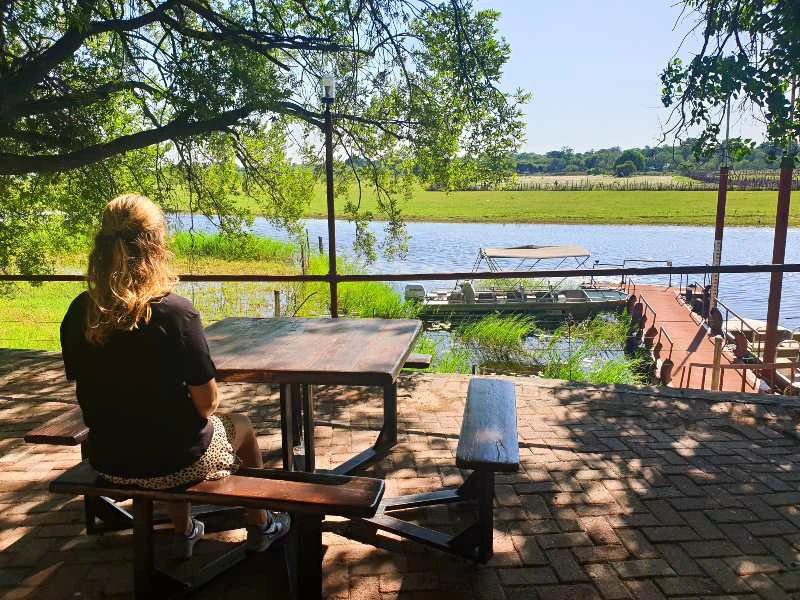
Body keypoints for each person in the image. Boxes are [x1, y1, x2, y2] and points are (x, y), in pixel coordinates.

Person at [60, 193, 289, 559]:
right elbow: (205, 405)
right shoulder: (175, 313)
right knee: (238, 425)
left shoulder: (80, 313)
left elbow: (85, 385)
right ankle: (261, 524)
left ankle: (184, 532)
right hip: (174, 462)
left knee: (175, 432)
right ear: (156, 246)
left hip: (109, 462)